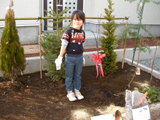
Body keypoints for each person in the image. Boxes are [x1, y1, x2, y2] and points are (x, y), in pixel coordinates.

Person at [55, 10, 85, 102]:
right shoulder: (68, 31)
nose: (77, 21)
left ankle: (77, 90)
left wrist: (82, 56)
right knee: (69, 76)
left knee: (78, 75)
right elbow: (64, 45)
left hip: (79, 58)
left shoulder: (82, 32)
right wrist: (60, 57)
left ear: (83, 21)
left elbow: (82, 45)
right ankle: (69, 92)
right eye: (75, 19)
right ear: (72, 20)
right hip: (70, 58)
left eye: (80, 19)